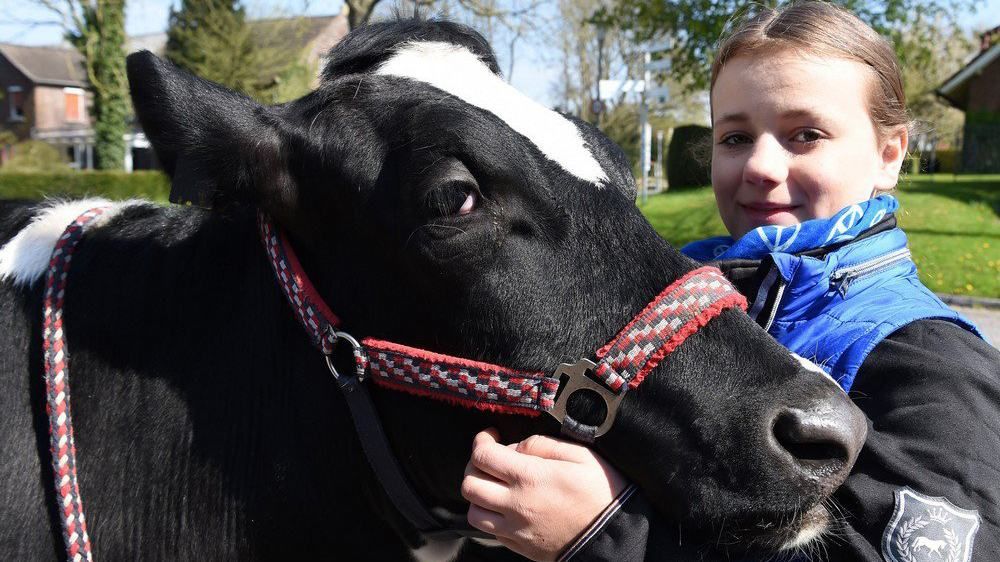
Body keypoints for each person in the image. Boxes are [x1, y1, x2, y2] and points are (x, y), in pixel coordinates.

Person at [459, 3, 1000, 561]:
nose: (761, 166)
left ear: (890, 154)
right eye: (736, 137)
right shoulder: (657, 312)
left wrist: (609, 535)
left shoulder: (929, 360)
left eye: (805, 134)